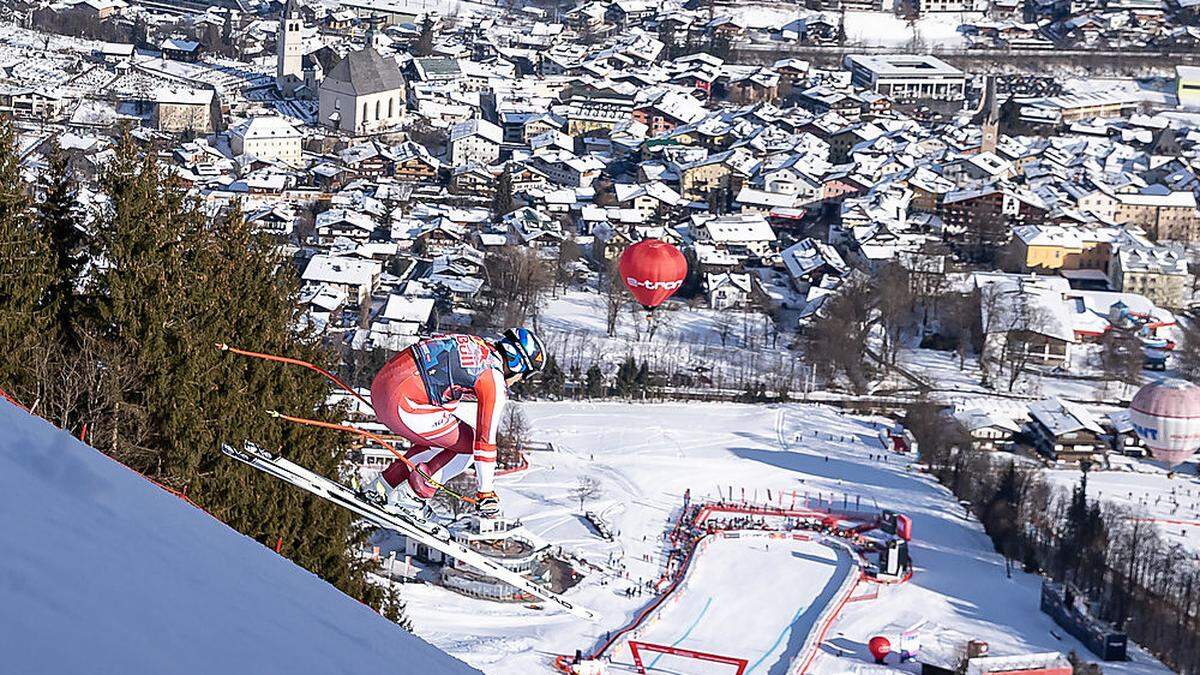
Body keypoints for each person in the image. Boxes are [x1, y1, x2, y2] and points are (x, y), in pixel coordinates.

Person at [364, 328, 546, 517]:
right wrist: (486, 493)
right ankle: (411, 498)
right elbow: (485, 442)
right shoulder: (493, 377)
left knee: (444, 443)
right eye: (524, 375)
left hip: (381, 388)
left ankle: (381, 487)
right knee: (469, 446)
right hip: (404, 404)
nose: (519, 381)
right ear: (517, 363)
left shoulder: (477, 344)